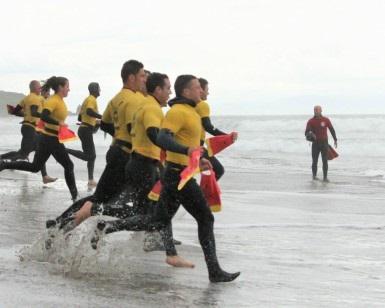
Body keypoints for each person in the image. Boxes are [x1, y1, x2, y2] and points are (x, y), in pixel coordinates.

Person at [91, 74, 241, 283]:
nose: (201, 90)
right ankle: (214, 271)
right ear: (186, 92)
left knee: (157, 220)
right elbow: (162, 138)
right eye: (197, 87)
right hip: (176, 175)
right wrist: (186, 150)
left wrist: (199, 160)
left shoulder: (191, 112)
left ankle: (107, 227)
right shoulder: (178, 112)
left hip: (178, 173)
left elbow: (190, 144)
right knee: (205, 218)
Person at [45, 60, 146, 229]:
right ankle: (66, 224)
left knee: (104, 197)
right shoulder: (133, 99)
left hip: (117, 150)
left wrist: (119, 136)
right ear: (131, 77)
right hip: (124, 154)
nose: (144, 80)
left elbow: (105, 124)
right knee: (103, 199)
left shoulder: (116, 98)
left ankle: (62, 223)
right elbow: (132, 128)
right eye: (142, 76)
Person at [0, 76, 79, 201]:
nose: (69, 89)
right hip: (51, 139)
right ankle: (75, 198)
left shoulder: (59, 100)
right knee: (69, 166)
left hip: (47, 138)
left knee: (35, 167)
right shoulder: (54, 100)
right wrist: (58, 123)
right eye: (67, 86)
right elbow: (44, 116)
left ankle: (3, 164)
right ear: (60, 87)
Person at [0, 80, 57, 184]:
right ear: (35, 88)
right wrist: (45, 117)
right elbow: (34, 112)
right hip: (30, 128)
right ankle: (3, 163)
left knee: (39, 151)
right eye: (39, 87)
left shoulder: (26, 98)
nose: (40, 89)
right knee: (23, 154)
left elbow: (15, 111)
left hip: (28, 128)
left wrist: (26, 115)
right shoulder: (35, 98)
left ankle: (45, 176)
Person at [196, 78, 238, 180]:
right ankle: (202, 195)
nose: (208, 93)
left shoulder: (189, 105)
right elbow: (208, 126)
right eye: (207, 90)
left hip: (189, 144)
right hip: (197, 146)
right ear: (200, 90)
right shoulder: (202, 105)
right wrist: (228, 137)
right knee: (218, 170)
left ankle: (199, 194)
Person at [67, 82, 102, 187]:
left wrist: (94, 122)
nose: (100, 90)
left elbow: (80, 118)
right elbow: (89, 111)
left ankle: (90, 180)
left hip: (85, 129)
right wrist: (102, 117)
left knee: (92, 156)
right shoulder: (91, 99)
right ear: (94, 89)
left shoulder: (86, 99)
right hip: (85, 130)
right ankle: (65, 150)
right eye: (99, 88)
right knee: (89, 156)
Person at [305, 105, 338, 182]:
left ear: (321, 110)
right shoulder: (311, 121)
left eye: (317, 110)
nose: (315, 111)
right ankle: (314, 176)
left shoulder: (326, 120)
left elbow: (331, 129)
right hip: (315, 143)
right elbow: (306, 132)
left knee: (325, 161)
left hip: (324, 143)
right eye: (314, 110)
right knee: (314, 161)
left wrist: (335, 139)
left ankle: (325, 177)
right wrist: (309, 135)